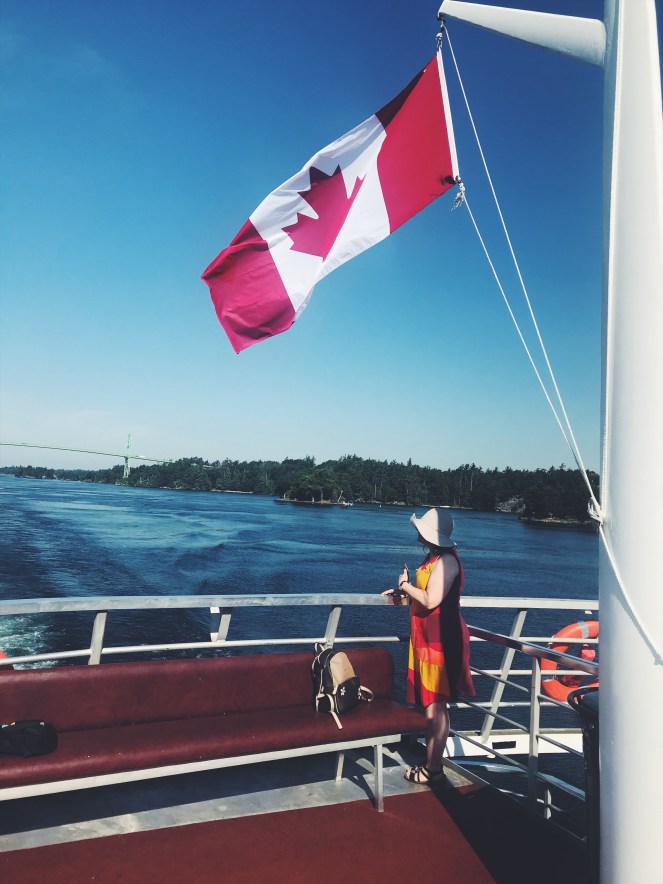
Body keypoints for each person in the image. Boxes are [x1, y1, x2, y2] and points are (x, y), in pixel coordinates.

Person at [383, 507, 475, 785]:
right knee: (431, 705)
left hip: (441, 641)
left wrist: (405, 584)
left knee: (436, 706)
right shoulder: (434, 557)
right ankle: (432, 762)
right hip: (427, 638)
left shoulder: (447, 561)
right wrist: (403, 595)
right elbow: (426, 598)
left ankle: (433, 768)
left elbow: (432, 599)